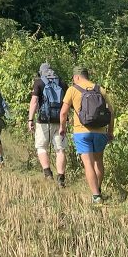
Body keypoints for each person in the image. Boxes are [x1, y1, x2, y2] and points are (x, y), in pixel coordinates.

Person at [59, 66, 115, 205]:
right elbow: (111, 112)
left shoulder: (72, 90)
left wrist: (62, 128)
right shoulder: (100, 89)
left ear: (76, 77)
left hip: (81, 132)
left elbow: (63, 113)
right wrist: (110, 131)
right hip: (100, 132)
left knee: (88, 163)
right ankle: (98, 189)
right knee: (98, 161)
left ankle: (96, 195)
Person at [28, 62, 67, 186]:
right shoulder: (61, 82)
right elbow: (67, 104)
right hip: (60, 121)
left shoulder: (39, 82)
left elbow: (34, 102)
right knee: (60, 149)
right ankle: (60, 177)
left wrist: (30, 120)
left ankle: (48, 174)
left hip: (43, 121)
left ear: (41, 72)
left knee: (41, 147)